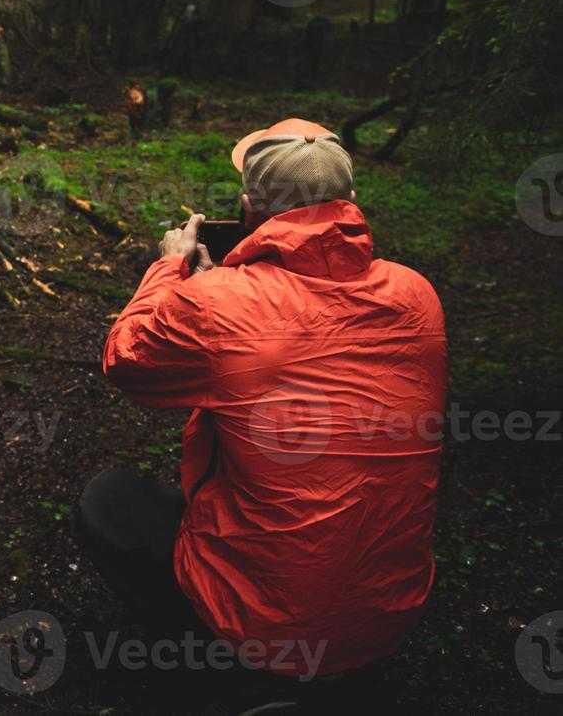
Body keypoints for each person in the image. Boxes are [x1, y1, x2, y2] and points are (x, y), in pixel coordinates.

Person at [76, 118, 448, 707]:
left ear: (249, 207)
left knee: (108, 501)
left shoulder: (213, 302)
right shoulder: (418, 295)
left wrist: (172, 271)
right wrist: (220, 294)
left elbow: (126, 360)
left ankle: (221, 670)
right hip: (387, 616)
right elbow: (306, 338)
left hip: (265, 628)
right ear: (350, 202)